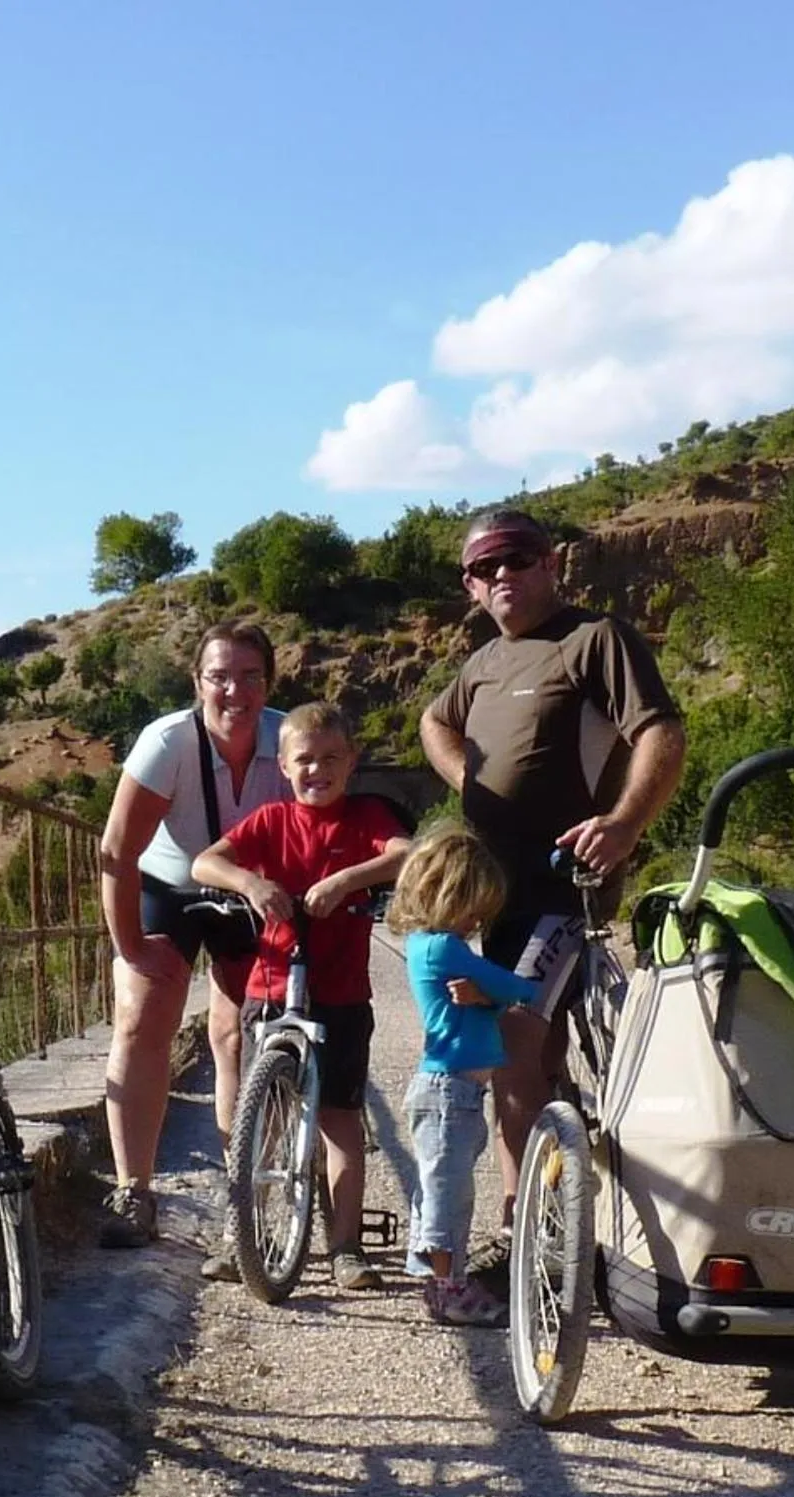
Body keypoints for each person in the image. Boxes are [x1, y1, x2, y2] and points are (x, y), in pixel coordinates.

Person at [417, 508, 686, 1286]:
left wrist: (627, 822)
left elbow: (661, 732)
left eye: (518, 559)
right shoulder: (483, 663)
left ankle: (525, 1232)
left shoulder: (595, 639)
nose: (502, 576)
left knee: (511, 1042)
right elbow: (435, 720)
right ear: (470, 585)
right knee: (531, 1056)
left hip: (565, 888)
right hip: (498, 898)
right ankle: (557, 1208)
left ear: (551, 563)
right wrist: (465, 778)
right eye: (484, 568)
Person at [190, 701, 412, 1290]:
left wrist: (345, 881)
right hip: (271, 984)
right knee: (261, 1118)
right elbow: (204, 863)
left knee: (340, 1118)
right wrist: (252, 883)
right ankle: (248, 1237)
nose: (318, 771)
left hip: (339, 991)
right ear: (284, 766)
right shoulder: (269, 821)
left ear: (352, 761)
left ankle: (346, 1246)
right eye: (305, 761)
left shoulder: (365, 815)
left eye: (331, 759)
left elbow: (406, 853)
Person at [95, 622, 289, 1249]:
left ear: (269, 682)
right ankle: (135, 1191)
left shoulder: (289, 740)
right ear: (197, 682)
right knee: (140, 1020)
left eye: (250, 676)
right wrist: (129, 946)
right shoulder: (167, 742)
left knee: (241, 1031)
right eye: (219, 676)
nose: (235, 690)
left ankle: (243, 1192)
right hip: (168, 886)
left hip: (247, 889)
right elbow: (117, 851)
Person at [388, 824, 538, 1327]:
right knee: (450, 1190)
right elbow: (519, 988)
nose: (478, 920)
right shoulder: (446, 950)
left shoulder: (421, 944)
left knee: (438, 1184)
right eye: (474, 908)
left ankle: (436, 1280)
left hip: (453, 1091)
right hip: (450, 1090)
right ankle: (449, 1286)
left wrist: (480, 997)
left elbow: (486, 994)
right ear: (446, 896)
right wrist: (498, 993)